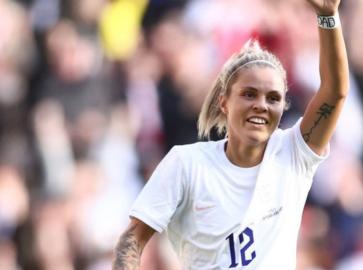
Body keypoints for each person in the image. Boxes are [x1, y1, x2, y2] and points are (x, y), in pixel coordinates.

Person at [112, 0, 348, 269]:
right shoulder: (186, 163)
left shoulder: (293, 154)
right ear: (224, 102)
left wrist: (328, 16)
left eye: (273, 98)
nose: (261, 104)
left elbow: (334, 92)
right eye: (249, 94)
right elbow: (133, 238)